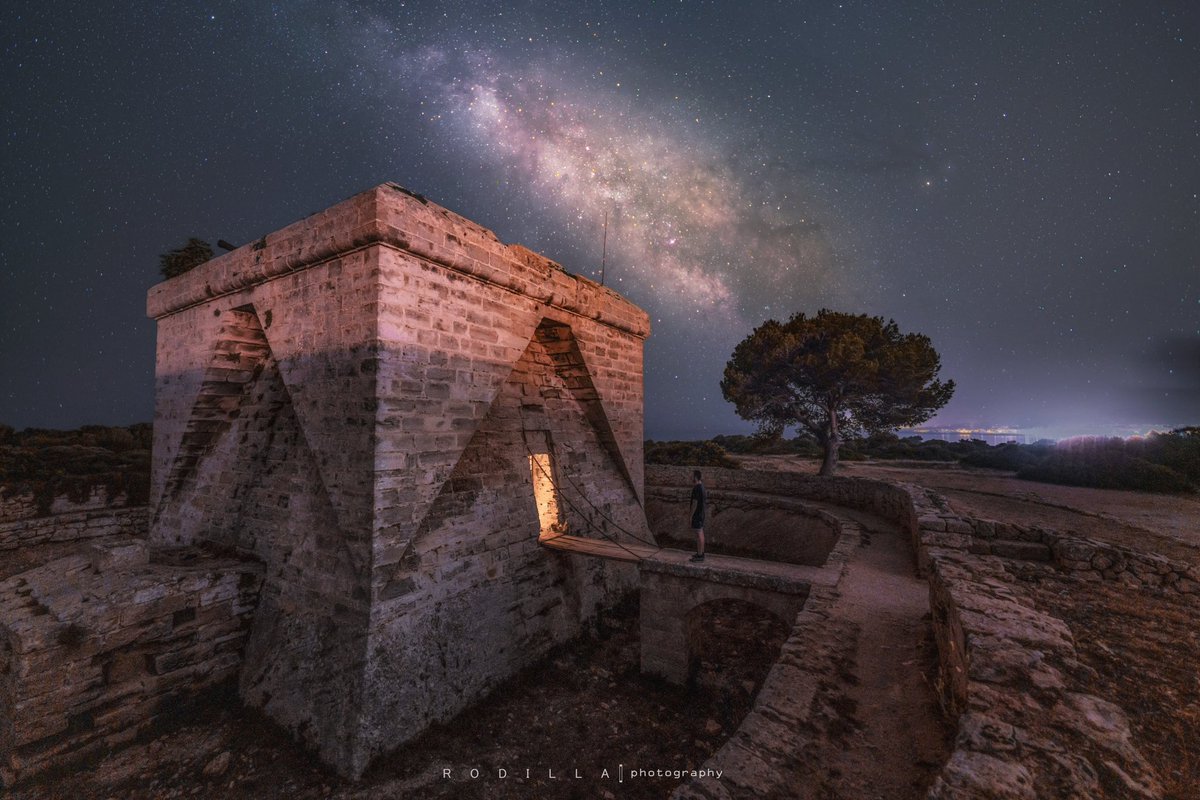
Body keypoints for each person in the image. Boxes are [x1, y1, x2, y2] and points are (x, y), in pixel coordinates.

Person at [689, 469, 706, 561]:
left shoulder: (696, 488)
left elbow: (695, 503)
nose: (690, 477)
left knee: (699, 534)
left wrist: (690, 516)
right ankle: (701, 553)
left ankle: (700, 556)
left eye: (692, 476)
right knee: (701, 533)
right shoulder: (702, 487)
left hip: (697, 514)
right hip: (702, 514)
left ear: (695, 477)